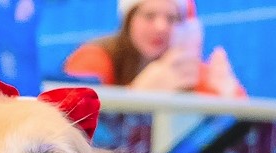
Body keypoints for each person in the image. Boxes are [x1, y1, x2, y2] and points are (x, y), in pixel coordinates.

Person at [63, 0, 244, 97]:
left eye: (171, 18)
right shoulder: (92, 57)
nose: (161, 27)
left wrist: (230, 93)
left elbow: (244, 124)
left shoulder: (186, 70)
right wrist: (137, 95)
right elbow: (71, 124)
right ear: (128, 21)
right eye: (149, 16)